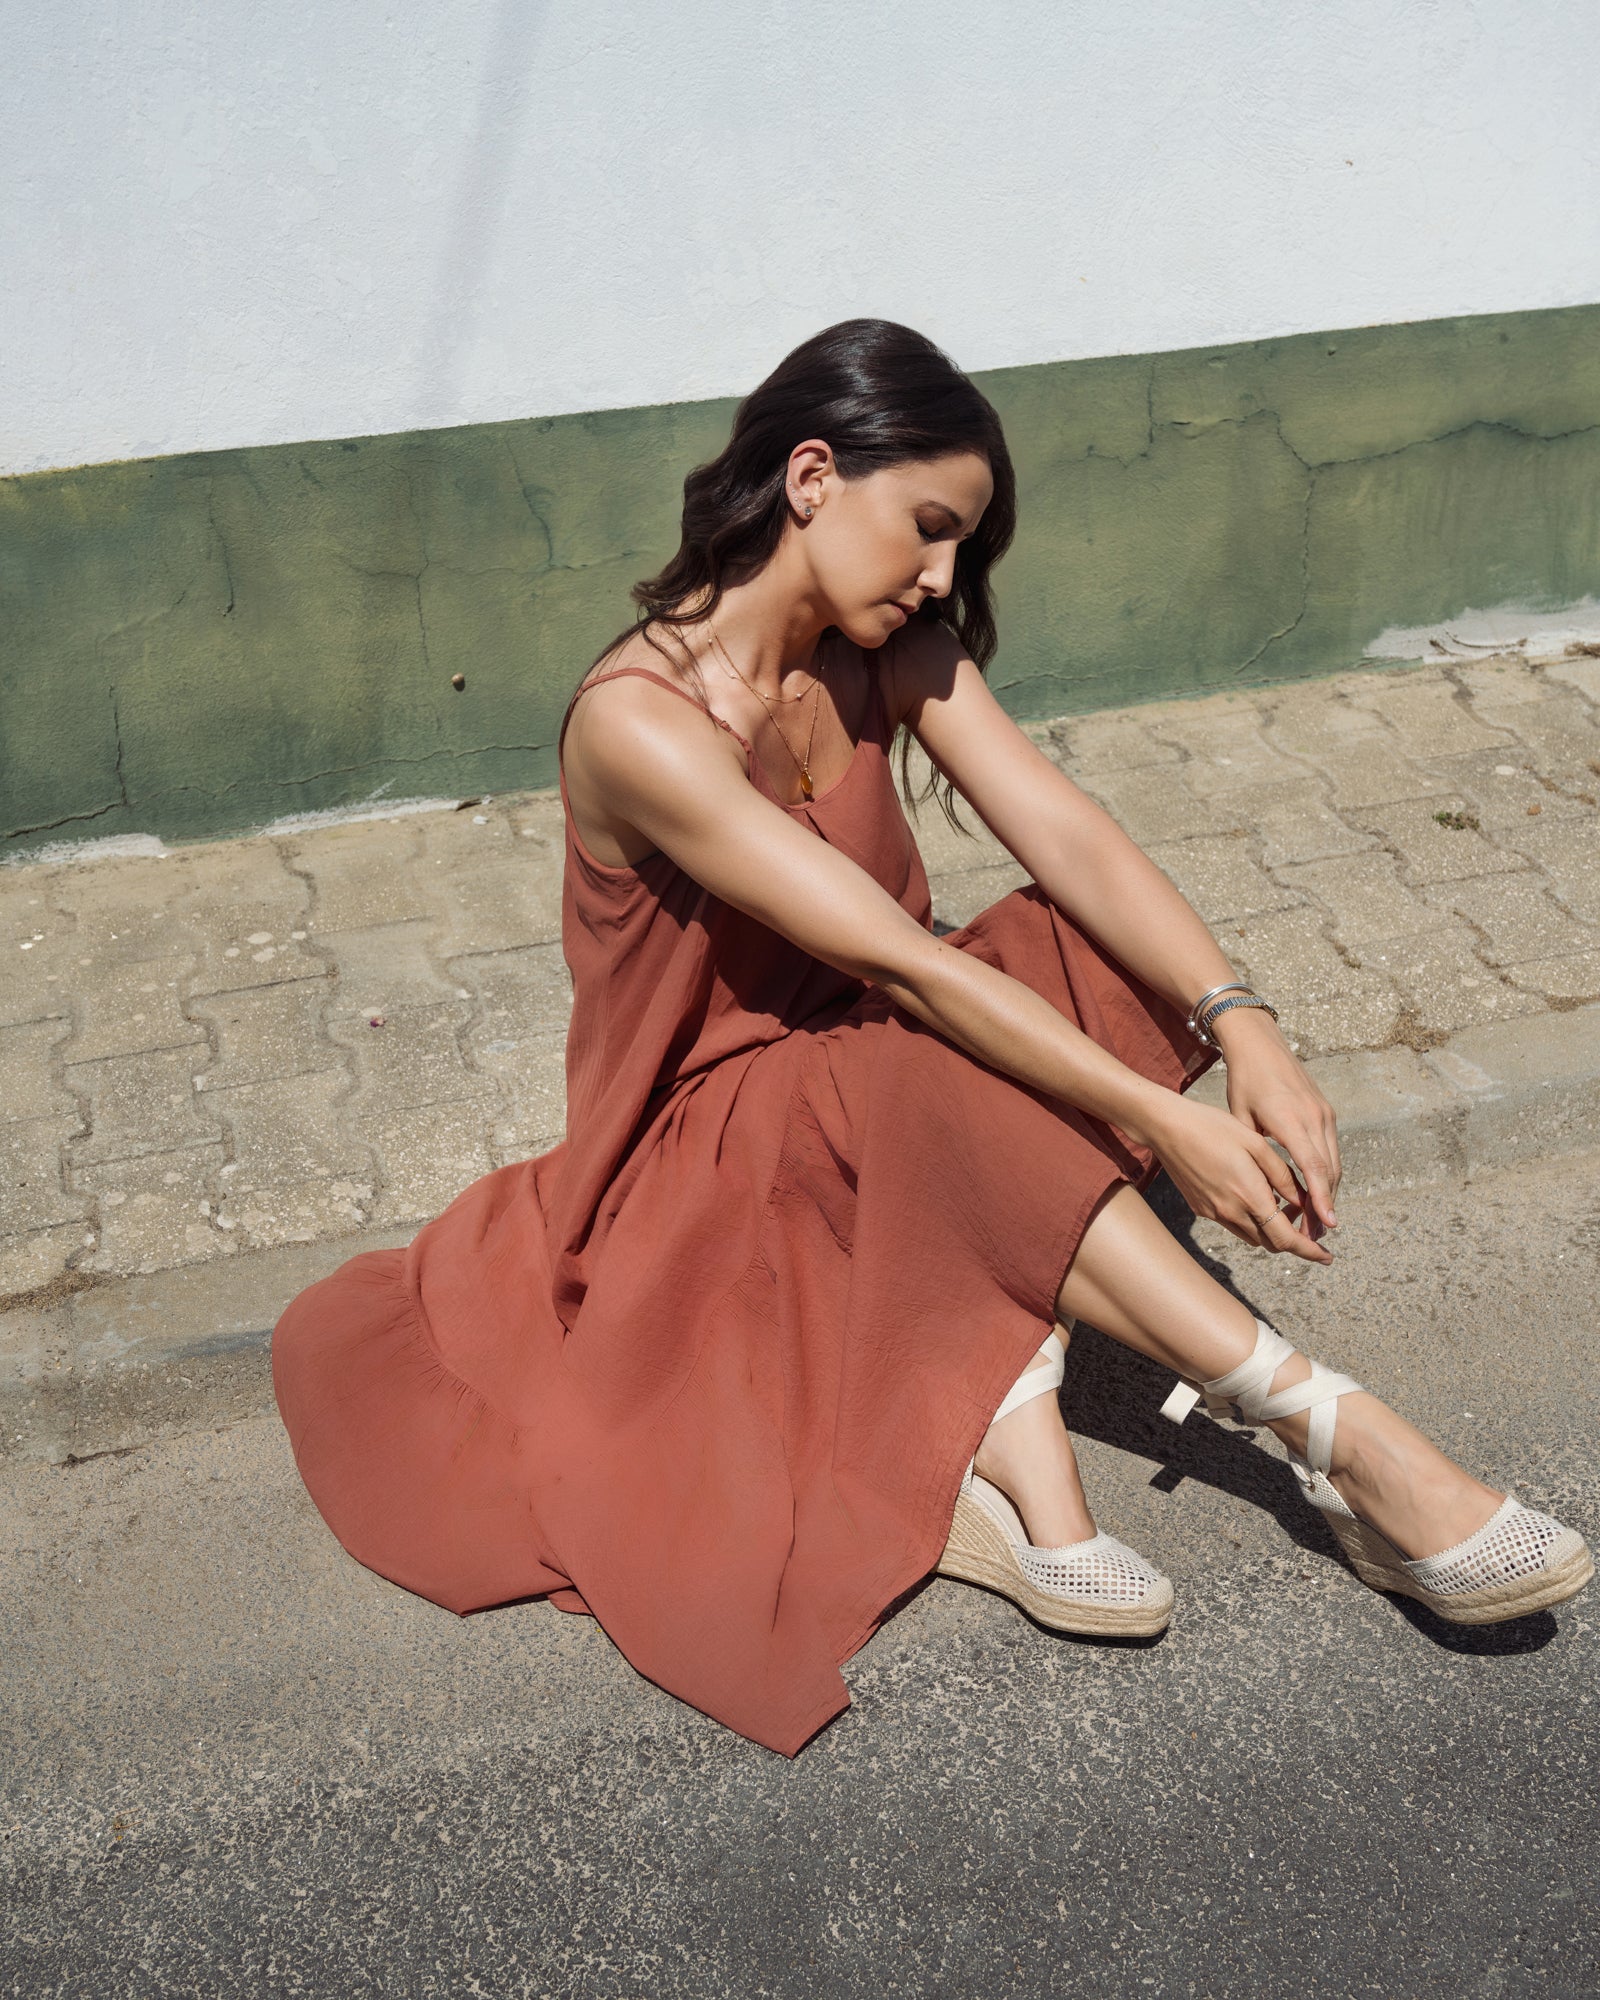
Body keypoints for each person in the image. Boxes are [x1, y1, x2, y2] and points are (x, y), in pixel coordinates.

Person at [273, 320, 1591, 1755]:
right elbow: (896, 960)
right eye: (930, 527)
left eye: (961, 543)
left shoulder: (889, 653)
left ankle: (1004, 1399)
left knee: (1087, 952)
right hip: (697, 1150)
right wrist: (1168, 1120)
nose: (943, 575)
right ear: (812, 479)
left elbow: (1072, 839)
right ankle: (1338, 1439)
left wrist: (1245, 1024)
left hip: (878, 1061)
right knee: (920, 1042)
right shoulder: (639, 725)